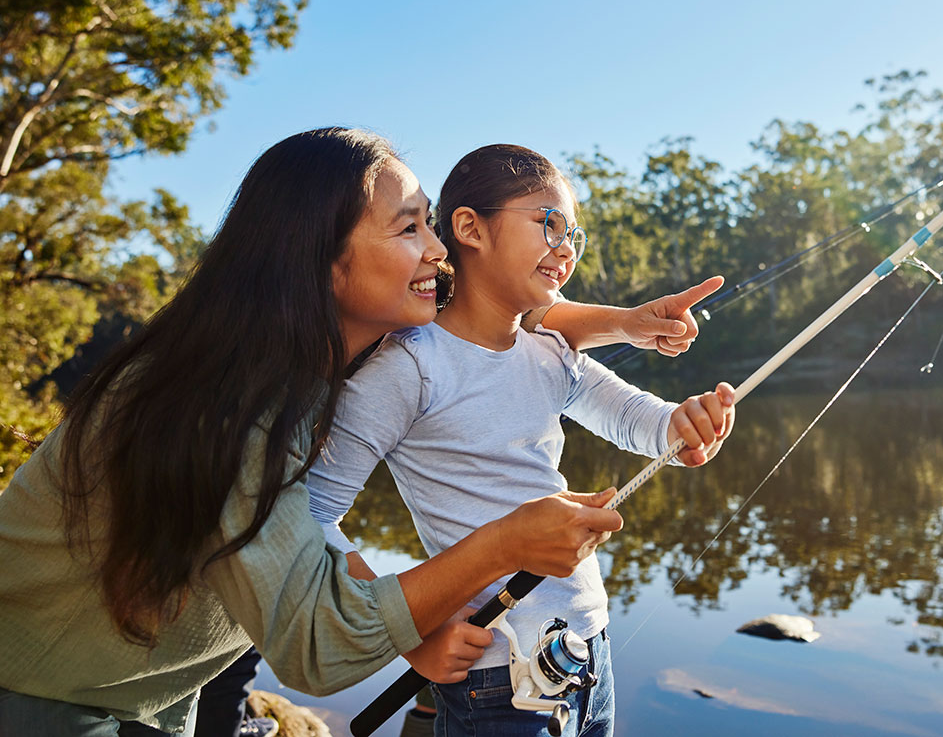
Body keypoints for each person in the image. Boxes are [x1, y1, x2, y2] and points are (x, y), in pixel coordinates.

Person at [0, 128, 704, 737]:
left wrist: (622, 324)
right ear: (320, 257)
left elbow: (508, 323)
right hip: (44, 697)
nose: (437, 251)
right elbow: (315, 640)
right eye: (409, 229)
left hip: (151, 699)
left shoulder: (322, 365)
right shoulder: (226, 408)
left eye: (430, 225)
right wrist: (503, 544)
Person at [307, 144, 737, 737]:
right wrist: (410, 635)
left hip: (591, 646)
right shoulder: (408, 367)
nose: (565, 248)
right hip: (495, 678)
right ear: (469, 228)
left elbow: (635, 418)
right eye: (549, 223)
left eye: (574, 234)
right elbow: (311, 516)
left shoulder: (552, 351)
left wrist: (683, 424)